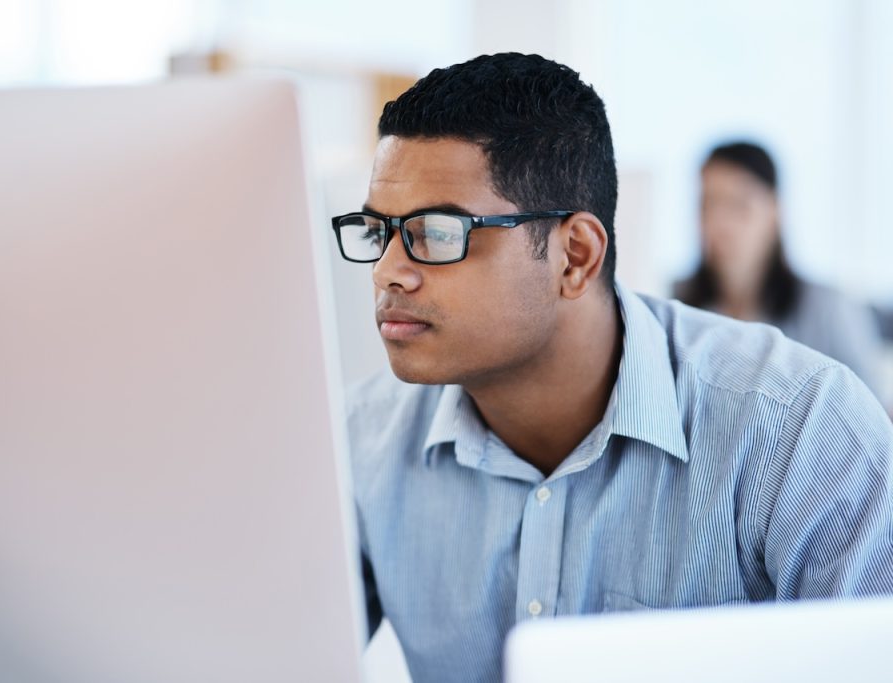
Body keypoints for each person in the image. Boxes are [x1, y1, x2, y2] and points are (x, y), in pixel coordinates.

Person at [331, 53, 893, 683]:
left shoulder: (803, 431)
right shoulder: (358, 442)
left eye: (436, 233)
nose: (386, 272)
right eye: (378, 231)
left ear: (575, 256)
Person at [675, 141, 885, 398]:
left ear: (775, 211)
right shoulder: (679, 306)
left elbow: (871, 412)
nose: (720, 224)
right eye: (708, 204)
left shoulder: (826, 307)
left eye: (739, 206)